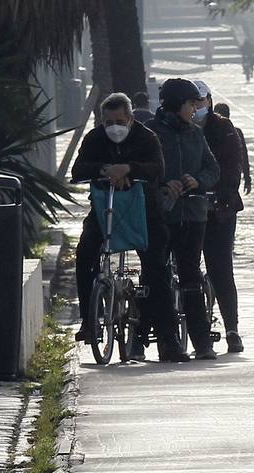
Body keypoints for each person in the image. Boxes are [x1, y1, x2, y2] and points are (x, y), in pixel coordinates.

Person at [71, 93, 189, 361]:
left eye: (120, 121)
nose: (115, 127)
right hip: (106, 209)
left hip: (145, 211)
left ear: (130, 119)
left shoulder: (147, 138)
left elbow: (157, 169)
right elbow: (78, 169)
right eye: (109, 121)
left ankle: (168, 340)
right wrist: (106, 170)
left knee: (157, 269)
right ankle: (89, 321)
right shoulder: (94, 139)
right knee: (85, 252)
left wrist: (128, 169)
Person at [138, 79, 222, 360]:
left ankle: (202, 342)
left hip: (194, 214)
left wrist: (196, 181)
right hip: (161, 215)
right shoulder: (151, 134)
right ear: (177, 105)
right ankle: (167, 342)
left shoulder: (196, 134)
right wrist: (162, 185)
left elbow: (213, 168)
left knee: (191, 276)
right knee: (157, 276)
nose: (195, 109)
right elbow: (143, 171)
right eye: (190, 104)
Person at [194, 81, 247, 353]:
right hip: (186, 208)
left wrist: (223, 194)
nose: (197, 107)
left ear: (210, 101)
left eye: (201, 101)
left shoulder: (223, 127)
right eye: (192, 102)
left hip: (220, 208)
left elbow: (231, 166)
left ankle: (232, 329)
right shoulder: (173, 129)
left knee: (220, 268)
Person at [214, 102, 254, 198]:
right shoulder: (236, 132)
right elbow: (244, 156)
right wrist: (247, 179)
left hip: (215, 176)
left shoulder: (209, 131)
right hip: (232, 175)